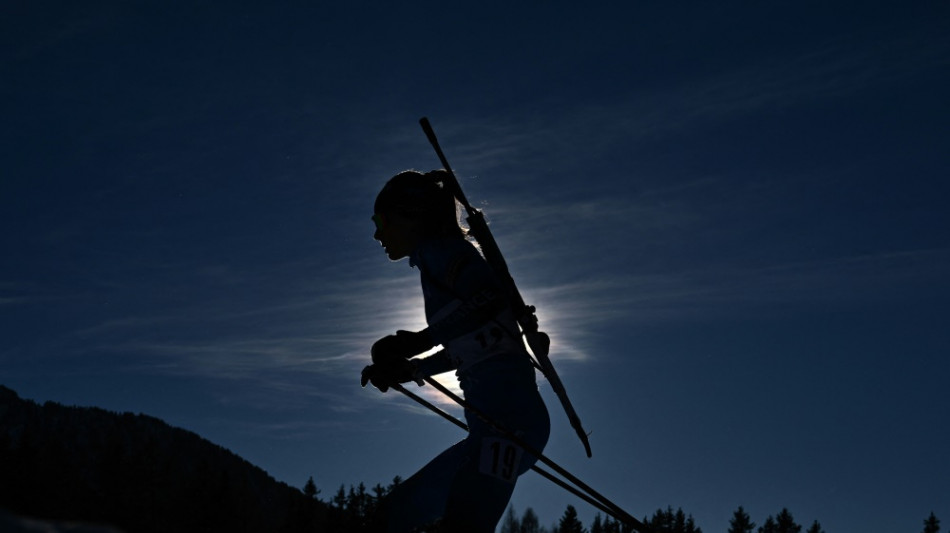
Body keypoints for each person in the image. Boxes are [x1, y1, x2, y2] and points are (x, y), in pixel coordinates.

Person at [361, 169, 551, 533]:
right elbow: (477, 344)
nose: (377, 233)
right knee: (394, 517)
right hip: (499, 429)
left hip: (510, 427)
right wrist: (413, 369)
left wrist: (420, 341)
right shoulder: (433, 261)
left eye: (381, 220)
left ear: (411, 214)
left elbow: (489, 300)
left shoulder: (441, 252)